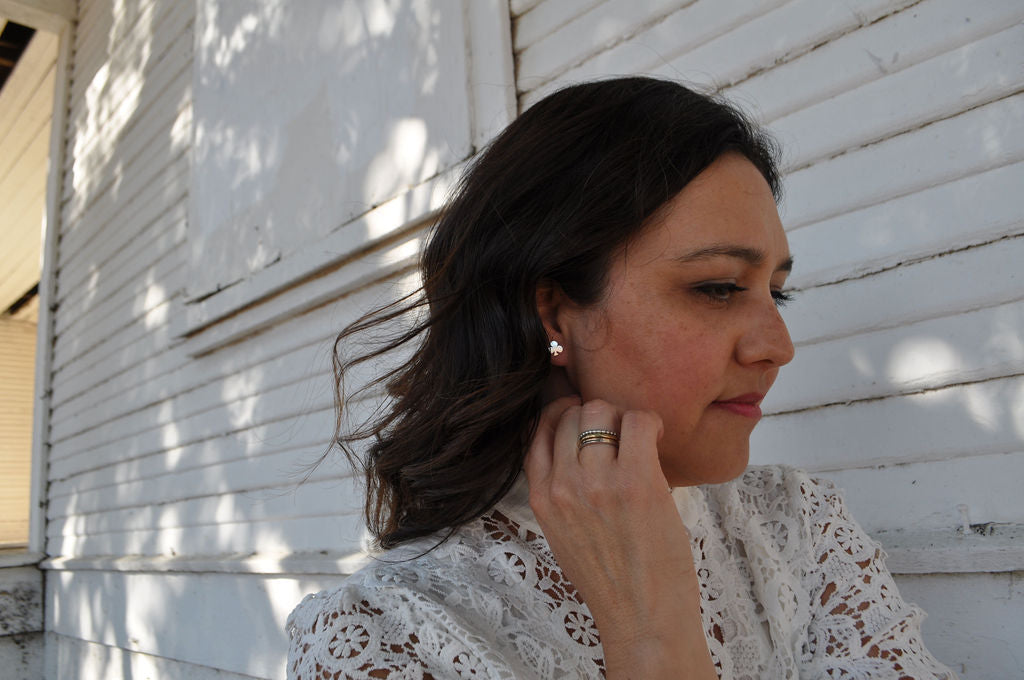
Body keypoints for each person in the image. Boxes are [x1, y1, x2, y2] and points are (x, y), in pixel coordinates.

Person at [287, 77, 956, 679]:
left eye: (775, 292)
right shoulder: (381, 638)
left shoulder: (799, 531)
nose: (778, 347)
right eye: (719, 287)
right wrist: (649, 633)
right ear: (553, 313)